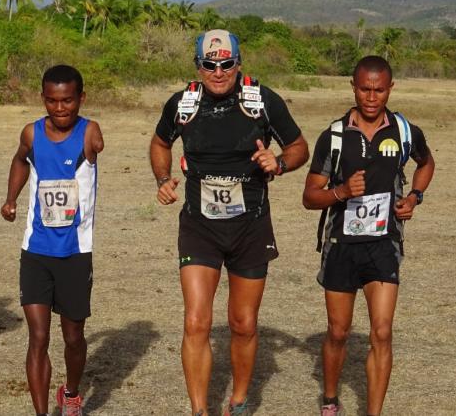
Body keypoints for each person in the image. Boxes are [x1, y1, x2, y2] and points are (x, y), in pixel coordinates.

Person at [149, 29, 309, 416]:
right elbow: (159, 143)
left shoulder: (262, 100)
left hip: (250, 226)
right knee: (195, 321)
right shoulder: (183, 103)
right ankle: (199, 410)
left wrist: (281, 163)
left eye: (226, 64)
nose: (218, 72)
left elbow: (300, 146)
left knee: (243, 323)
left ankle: (238, 401)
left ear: (239, 63)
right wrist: (162, 178)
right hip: (199, 226)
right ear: (197, 66)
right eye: (209, 64)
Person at [302, 55, 435, 416]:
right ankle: (330, 400)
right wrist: (341, 192)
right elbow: (309, 196)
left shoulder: (406, 132)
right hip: (341, 246)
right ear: (353, 87)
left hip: (384, 244)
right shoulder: (333, 136)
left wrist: (414, 197)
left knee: (381, 332)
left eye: (379, 89)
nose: (372, 97)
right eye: (365, 89)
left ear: (390, 88)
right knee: (339, 332)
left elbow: (426, 163)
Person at [1, 65, 104, 416]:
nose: (60, 109)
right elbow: (19, 160)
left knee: (73, 337)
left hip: (75, 253)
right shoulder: (31, 133)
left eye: (68, 101)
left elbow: (94, 149)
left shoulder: (90, 133)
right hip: (36, 251)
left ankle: (71, 394)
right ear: (43, 99)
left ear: (81, 99)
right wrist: (11, 197)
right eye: (52, 101)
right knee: (39, 337)